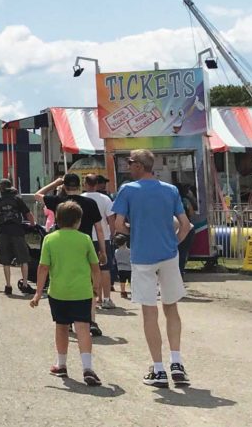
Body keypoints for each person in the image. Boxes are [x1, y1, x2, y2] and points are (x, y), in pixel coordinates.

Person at [109, 149, 192, 388]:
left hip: (143, 256)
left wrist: (135, 232)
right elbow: (184, 225)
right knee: (171, 307)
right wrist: (171, 242)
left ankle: (158, 370)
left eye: (130, 162)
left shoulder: (128, 190)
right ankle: (177, 362)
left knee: (149, 311)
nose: (128, 166)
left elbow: (118, 224)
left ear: (138, 166)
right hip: (168, 255)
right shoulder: (170, 190)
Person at [30, 200, 102, 387]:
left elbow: (43, 267)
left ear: (58, 220)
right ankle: (87, 368)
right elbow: (95, 267)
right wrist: (97, 289)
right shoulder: (85, 239)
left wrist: (38, 292)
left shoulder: (50, 239)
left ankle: (61, 364)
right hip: (82, 292)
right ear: (78, 221)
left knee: (61, 327)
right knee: (83, 328)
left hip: (58, 292)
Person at [35, 173, 107, 335]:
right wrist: (102, 250)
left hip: (62, 246)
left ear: (64, 186)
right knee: (87, 284)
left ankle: (66, 321)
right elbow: (99, 229)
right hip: (85, 246)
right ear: (80, 186)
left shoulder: (59, 202)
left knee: (63, 280)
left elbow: (38, 195)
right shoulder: (90, 203)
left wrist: (55, 182)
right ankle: (91, 320)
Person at [0, 178, 35, 295]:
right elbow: (28, 214)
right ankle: (25, 284)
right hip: (17, 231)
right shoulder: (17, 199)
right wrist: (33, 225)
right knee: (23, 258)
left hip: (3, 232)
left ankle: (8, 286)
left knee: (5, 260)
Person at [82, 173, 115, 308]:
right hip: (103, 237)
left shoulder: (81, 198)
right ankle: (107, 298)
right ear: (97, 184)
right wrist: (112, 233)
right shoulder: (105, 199)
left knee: (89, 269)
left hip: (86, 237)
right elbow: (111, 220)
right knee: (105, 269)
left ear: (85, 184)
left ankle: (93, 298)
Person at [114, 234, 132, 299]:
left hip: (120, 268)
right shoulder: (129, 251)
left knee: (122, 281)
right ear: (125, 242)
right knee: (131, 281)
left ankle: (123, 292)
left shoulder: (116, 251)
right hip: (129, 268)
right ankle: (133, 292)